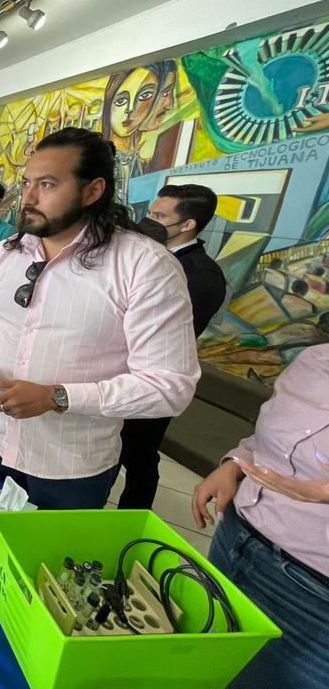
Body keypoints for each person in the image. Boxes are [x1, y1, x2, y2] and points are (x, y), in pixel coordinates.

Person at [0, 127, 200, 510]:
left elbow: (170, 386)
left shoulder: (143, 266)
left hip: (69, 466)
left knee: (46, 566)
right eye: (27, 183)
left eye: (47, 184)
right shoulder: (4, 254)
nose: (28, 198)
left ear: (93, 190)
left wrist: (58, 397)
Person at [192, 344, 329, 689]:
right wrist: (235, 464)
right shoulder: (315, 360)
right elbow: (271, 444)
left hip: (312, 593)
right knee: (200, 668)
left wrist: (321, 493)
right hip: (237, 541)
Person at [117, 183, 227, 509]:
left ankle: (130, 519)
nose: (149, 221)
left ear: (188, 224)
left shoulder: (202, 275)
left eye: (159, 216)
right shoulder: (139, 255)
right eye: (150, 213)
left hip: (152, 379)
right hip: (113, 373)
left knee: (138, 456)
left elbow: (172, 335)